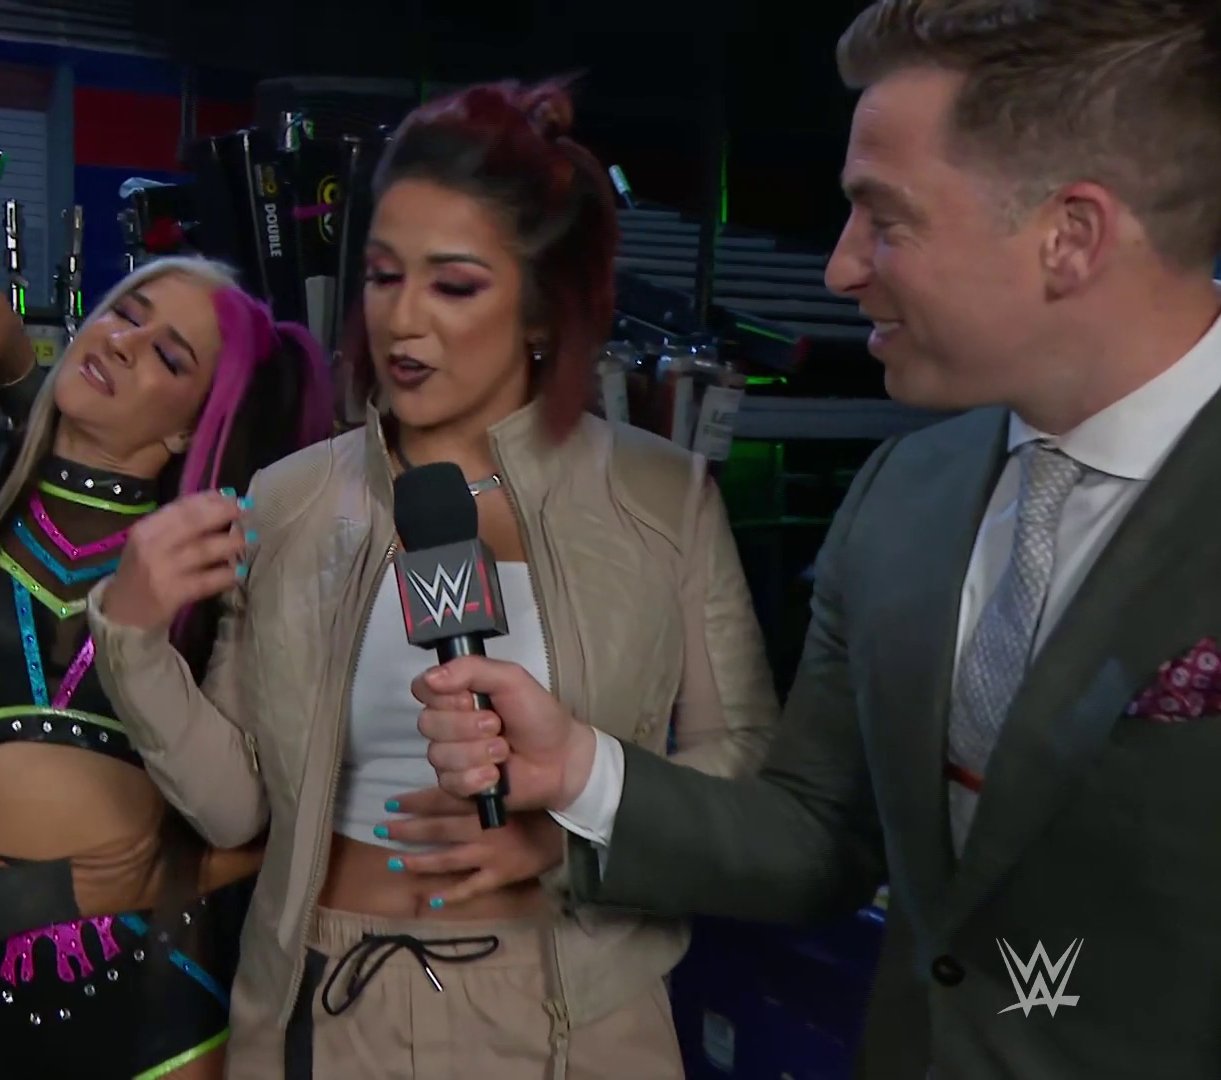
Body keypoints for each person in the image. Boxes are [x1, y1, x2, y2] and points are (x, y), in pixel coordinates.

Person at [413, 4, 1221, 1079]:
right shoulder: (905, 493)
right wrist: (580, 774)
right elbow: (821, 837)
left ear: (1071, 237)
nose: (840, 267)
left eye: (884, 219)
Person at [86, 79, 780, 1079]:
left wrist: (578, 836)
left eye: (453, 286)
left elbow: (744, 772)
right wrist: (135, 637)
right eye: (382, 276)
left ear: (540, 305)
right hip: (332, 1008)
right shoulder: (290, 498)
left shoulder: (662, 497)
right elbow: (237, 810)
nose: (403, 319)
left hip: (578, 1020)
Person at [0, 253, 332, 1080]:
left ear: (192, 427)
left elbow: (293, 824)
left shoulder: (215, 574)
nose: (125, 341)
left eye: (169, 356)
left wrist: (45, 895)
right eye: (125, 312)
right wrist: (44, 393)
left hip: (156, 990)